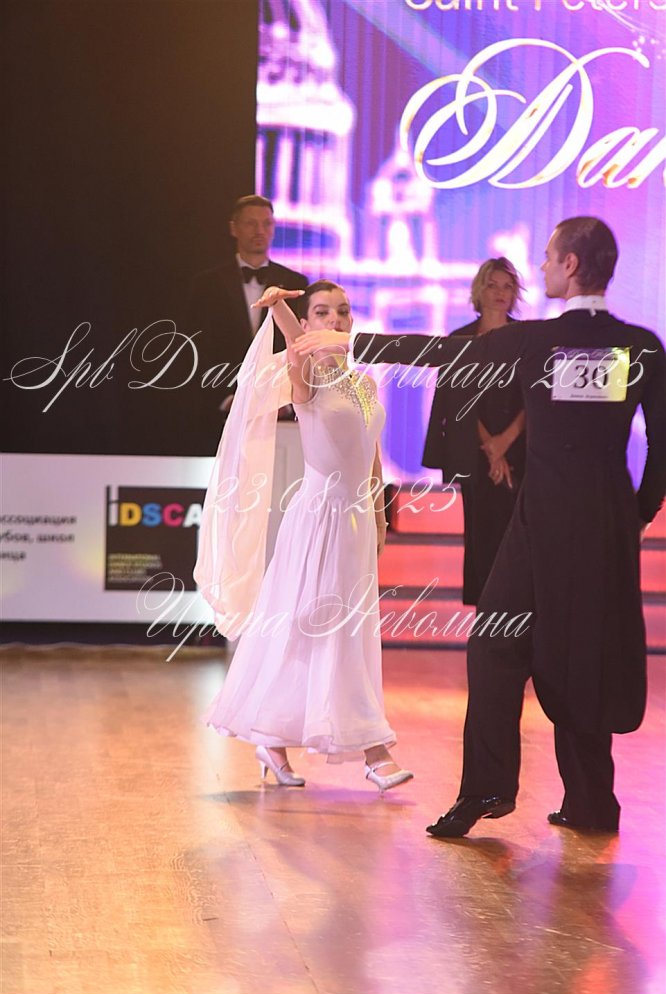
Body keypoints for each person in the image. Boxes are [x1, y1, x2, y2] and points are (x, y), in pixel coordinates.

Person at [293, 217, 666, 834]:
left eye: (549, 257)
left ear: (571, 266)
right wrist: (638, 514)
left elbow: (443, 353)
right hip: (602, 528)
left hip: (539, 523)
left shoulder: (536, 340)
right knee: (583, 655)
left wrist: (349, 342)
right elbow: (662, 443)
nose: (541, 267)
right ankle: (588, 801)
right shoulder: (640, 344)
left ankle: (496, 790)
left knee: (495, 646)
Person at [194, 279, 414, 791]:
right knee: (307, 626)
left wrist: (380, 517)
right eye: (322, 313)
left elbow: (372, 454)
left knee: (341, 631)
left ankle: (274, 741)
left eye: (343, 311)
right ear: (309, 323)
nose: (335, 320)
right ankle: (374, 751)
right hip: (318, 519)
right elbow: (298, 346)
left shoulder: (364, 384)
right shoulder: (306, 376)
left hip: (354, 522)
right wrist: (280, 309)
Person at [422, 257, 526, 604]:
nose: (500, 293)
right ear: (479, 290)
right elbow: (456, 401)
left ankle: (515, 611)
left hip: (521, 449)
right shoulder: (460, 340)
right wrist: (491, 447)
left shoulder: (527, 339)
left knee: (517, 534)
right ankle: (486, 613)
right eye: (492, 285)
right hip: (474, 451)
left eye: (507, 286)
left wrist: (504, 442)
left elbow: (534, 399)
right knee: (481, 532)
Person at [189, 195, 308, 450]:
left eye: (267, 224)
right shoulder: (207, 284)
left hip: (281, 411)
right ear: (234, 228)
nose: (259, 231)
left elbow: (298, 344)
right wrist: (224, 397)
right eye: (251, 223)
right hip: (220, 409)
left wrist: (286, 400)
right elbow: (198, 346)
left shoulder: (296, 283)